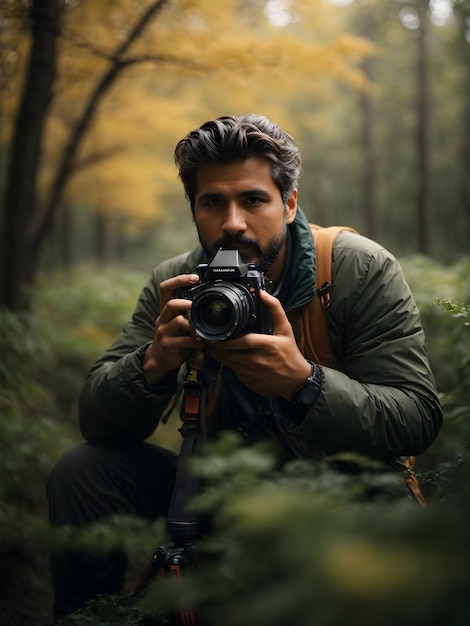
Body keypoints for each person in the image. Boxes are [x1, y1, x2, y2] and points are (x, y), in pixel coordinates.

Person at [47, 113, 443, 620]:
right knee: (81, 470)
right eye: (213, 202)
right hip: (216, 488)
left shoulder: (354, 270)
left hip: (338, 493)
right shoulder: (177, 283)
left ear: (289, 202)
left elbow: (417, 417)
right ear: (194, 209)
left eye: (253, 200)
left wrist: (304, 383)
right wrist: (154, 362)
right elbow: (96, 418)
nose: (233, 222)